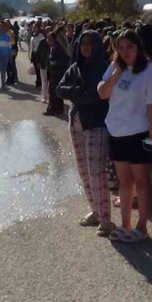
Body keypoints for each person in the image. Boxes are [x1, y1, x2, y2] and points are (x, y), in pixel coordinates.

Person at [97, 29, 152, 244]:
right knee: (124, 183)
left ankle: (142, 226)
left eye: (130, 47)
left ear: (138, 48)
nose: (125, 52)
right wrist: (117, 71)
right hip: (116, 131)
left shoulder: (150, 69)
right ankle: (124, 224)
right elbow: (103, 93)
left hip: (139, 132)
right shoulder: (115, 67)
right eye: (121, 48)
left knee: (141, 182)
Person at [56, 31, 114, 237]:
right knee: (83, 170)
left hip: (96, 124)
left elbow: (99, 97)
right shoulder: (75, 67)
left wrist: (78, 93)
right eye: (82, 44)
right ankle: (96, 211)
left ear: (97, 45)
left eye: (90, 44)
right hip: (76, 122)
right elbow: (59, 90)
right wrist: (82, 92)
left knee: (96, 172)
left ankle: (106, 219)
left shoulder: (104, 69)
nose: (86, 48)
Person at [45, 27, 70, 116]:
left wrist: (54, 63)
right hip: (53, 74)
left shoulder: (58, 49)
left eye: (49, 39)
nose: (47, 40)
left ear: (54, 40)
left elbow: (64, 60)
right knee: (54, 92)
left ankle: (54, 109)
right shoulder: (52, 48)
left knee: (53, 92)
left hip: (58, 74)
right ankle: (57, 109)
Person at [29, 23, 46, 89]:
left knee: (39, 68)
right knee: (36, 68)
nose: (33, 28)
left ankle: (40, 82)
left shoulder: (41, 36)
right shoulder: (33, 36)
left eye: (35, 27)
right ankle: (38, 81)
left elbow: (43, 46)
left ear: (38, 28)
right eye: (33, 27)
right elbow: (31, 46)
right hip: (33, 53)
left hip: (39, 54)